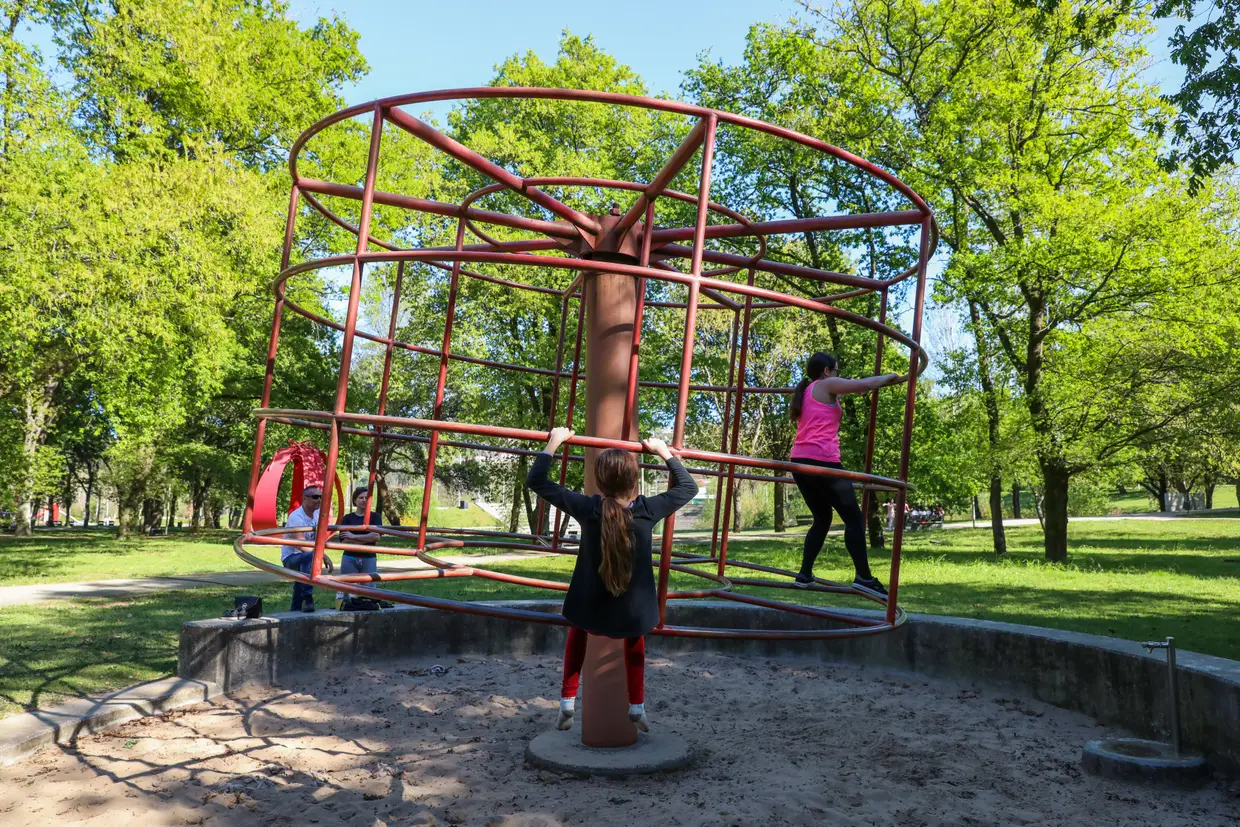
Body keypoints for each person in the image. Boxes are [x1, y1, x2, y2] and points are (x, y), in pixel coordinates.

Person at [526, 427, 697, 733]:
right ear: (634, 482)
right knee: (635, 639)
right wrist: (663, 452)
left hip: (590, 612)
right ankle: (637, 706)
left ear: (600, 481)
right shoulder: (647, 511)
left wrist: (554, 442)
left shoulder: (588, 509)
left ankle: (567, 701)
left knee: (577, 631)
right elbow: (688, 487)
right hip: (633, 615)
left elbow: (537, 480)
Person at [788, 351, 904, 599]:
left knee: (822, 518)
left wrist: (860, 387)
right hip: (822, 462)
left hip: (799, 462)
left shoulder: (808, 391)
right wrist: (888, 377)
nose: (837, 375)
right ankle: (864, 577)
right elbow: (862, 384)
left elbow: (851, 388)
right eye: (836, 370)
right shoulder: (826, 385)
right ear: (827, 371)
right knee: (854, 518)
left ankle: (804, 575)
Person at [279, 485, 332, 613]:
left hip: (306, 558)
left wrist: (319, 554)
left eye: (321, 497)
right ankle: (308, 597)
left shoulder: (318, 514)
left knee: (302, 579)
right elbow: (301, 546)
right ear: (304, 498)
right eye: (315, 497)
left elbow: (319, 539)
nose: (319, 500)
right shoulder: (296, 517)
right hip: (291, 558)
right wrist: (322, 556)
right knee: (310, 558)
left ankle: (295, 611)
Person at [335, 485, 388, 611]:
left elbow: (376, 537)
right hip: (349, 557)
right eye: (361, 498)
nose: (364, 500)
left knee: (369, 591)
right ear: (355, 500)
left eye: (366, 498)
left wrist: (353, 536)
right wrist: (367, 538)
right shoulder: (348, 518)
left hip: (369, 557)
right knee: (347, 589)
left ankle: (369, 611)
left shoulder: (375, 517)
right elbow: (344, 541)